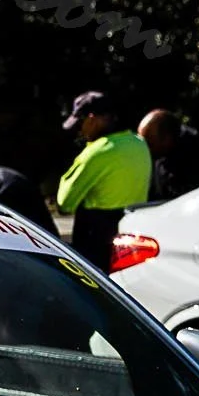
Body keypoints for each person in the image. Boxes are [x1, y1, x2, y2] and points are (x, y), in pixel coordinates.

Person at [55, 91, 151, 268]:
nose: (80, 131)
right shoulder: (139, 143)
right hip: (132, 239)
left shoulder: (97, 152)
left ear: (91, 119)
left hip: (96, 247)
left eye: (80, 124)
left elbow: (64, 203)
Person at [138, 108, 199, 202]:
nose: (145, 149)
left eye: (149, 143)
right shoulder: (160, 155)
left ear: (167, 139)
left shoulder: (194, 159)